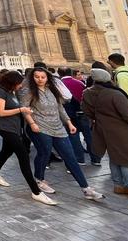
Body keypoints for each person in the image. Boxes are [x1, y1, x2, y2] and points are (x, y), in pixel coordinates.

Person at [21, 67, 104, 201]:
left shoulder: (52, 90)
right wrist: (32, 123)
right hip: (39, 126)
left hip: (57, 126)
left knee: (70, 156)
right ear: (32, 77)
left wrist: (69, 123)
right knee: (45, 152)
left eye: (43, 77)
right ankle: (39, 179)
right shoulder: (28, 91)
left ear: (47, 78)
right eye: (37, 77)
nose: (40, 79)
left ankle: (86, 188)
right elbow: (25, 109)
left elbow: (60, 108)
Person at [0, 70, 57, 206]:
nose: (20, 86)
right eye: (19, 83)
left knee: (6, 152)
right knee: (23, 156)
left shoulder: (10, 92)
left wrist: (24, 110)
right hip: (5, 128)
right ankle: (36, 192)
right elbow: (1, 112)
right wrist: (21, 110)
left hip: (13, 127)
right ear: (12, 83)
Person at [82, 68, 128, 202]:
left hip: (103, 129)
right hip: (122, 130)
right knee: (127, 158)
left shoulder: (87, 93)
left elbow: (86, 111)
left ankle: (119, 185)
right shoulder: (114, 93)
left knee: (114, 156)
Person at [59, 67, 100, 166]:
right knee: (88, 135)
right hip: (83, 112)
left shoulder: (59, 85)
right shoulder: (79, 83)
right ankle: (95, 159)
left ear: (59, 74)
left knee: (74, 137)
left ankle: (80, 159)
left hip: (69, 114)